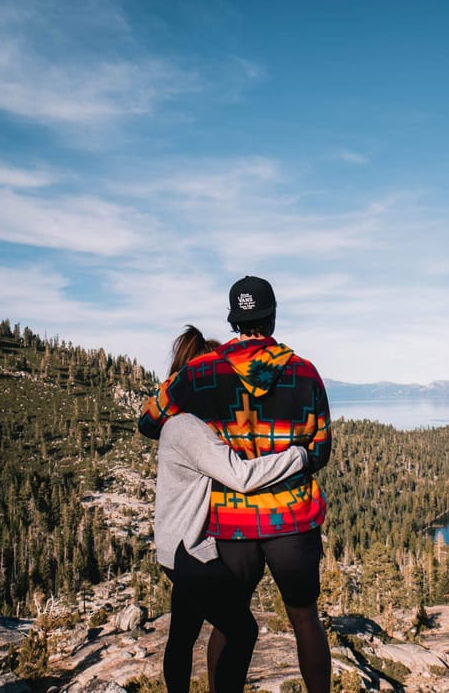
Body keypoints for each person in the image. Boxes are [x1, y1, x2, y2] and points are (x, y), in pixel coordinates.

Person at [139, 276, 332, 693]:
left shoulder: (200, 373)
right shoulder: (304, 373)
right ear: (273, 315)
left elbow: (149, 420)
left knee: (230, 624)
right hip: (292, 523)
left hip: (232, 525)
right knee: (304, 619)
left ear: (233, 322)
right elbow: (319, 450)